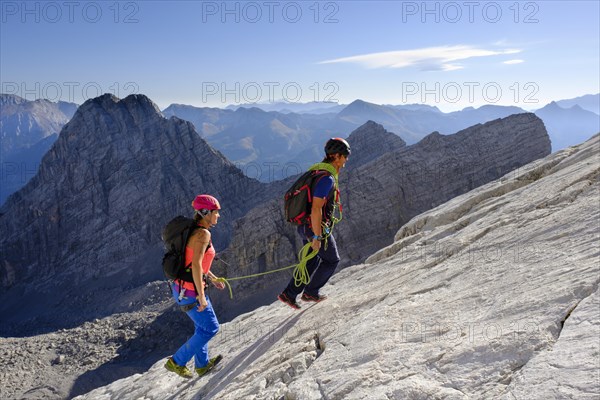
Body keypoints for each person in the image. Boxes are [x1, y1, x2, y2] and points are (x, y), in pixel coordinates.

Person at [278, 137, 350, 309]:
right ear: (337, 156)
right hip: (314, 227)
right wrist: (317, 236)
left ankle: (289, 294)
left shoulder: (316, 172)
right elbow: (316, 208)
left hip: (304, 226)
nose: (346, 159)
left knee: (311, 260)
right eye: (345, 156)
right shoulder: (327, 179)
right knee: (331, 260)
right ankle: (311, 292)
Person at [164, 194, 226, 378]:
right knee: (211, 328)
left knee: (202, 328)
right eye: (216, 212)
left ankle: (202, 365)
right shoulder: (203, 234)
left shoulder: (196, 230)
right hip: (191, 292)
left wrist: (213, 278)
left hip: (184, 288)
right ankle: (177, 361)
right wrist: (200, 295)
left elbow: (194, 262)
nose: (218, 215)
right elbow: (197, 265)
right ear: (206, 212)